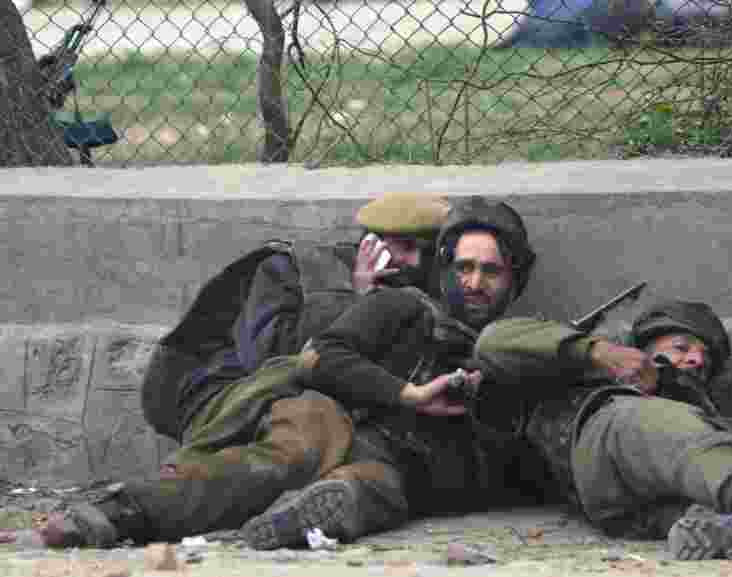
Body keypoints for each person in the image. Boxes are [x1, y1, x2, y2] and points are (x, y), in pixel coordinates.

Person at [0, 193, 452, 548]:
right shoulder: (292, 268)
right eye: (402, 247)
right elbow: (270, 356)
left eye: (423, 253)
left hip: (289, 399)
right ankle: (125, 510)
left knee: (355, 453)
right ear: (369, 242)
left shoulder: (421, 303)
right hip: (212, 389)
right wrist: (356, 302)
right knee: (311, 428)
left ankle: (308, 510)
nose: (412, 263)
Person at [235, 195, 558, 549]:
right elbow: (315, 358)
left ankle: (315, 510)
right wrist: (408, 390)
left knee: (374, 488)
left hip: (406, 469)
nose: (475, 283)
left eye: (491, 271)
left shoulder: (486, 333)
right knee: (274, 462)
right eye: (464, 268)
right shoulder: (361, 297)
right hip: (321, 426)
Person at [472, 300, 732, 560]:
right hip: (601, 447)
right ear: (640, 345)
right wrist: (598, 353)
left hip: (629, 513)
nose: (695, 358)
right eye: (681, 346)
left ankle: (715, 531)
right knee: (673, 429)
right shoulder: (602, 379)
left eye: (704, 358)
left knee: (711, 477)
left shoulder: (701, 417)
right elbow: (491, 343)